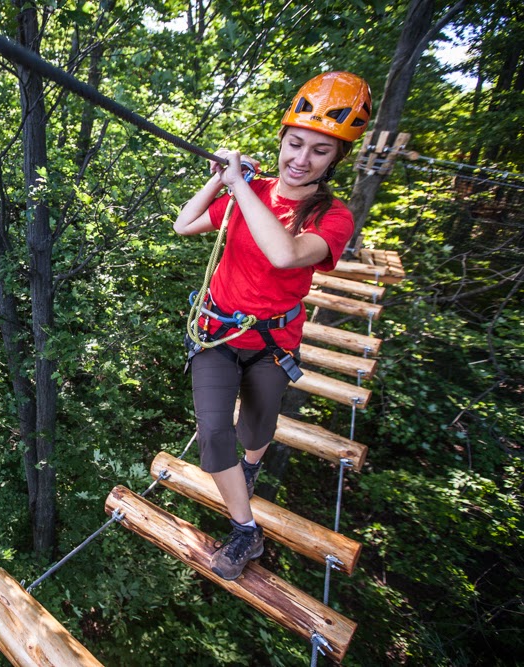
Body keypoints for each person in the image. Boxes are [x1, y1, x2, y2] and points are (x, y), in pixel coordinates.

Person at [172, 72, 372, 580]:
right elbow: (184, 222)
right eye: (296, 143)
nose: (302, 158)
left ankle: (253, 466)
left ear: (335, 160)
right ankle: (245, 530)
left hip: (272, 341)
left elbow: (284, 254)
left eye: (320, 151)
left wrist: (242, 188)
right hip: (219, 333)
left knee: (255, 427)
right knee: (215, 435)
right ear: (281, 140)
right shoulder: (249, 190)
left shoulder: (334, 217)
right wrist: (222, 178)